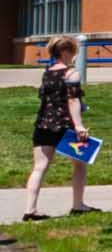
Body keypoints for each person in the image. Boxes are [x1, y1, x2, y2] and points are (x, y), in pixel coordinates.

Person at [23, 37, 100, 221]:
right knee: (79, 165)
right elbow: (72, 100)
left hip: (43, 125)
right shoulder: (71, 74)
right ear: (65, 52)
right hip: (65, 127)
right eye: (74, 51)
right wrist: (79, 125)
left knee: (39, 167)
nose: (75, 56)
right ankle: (78, 205)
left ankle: (30, 209)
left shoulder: (47, 72)